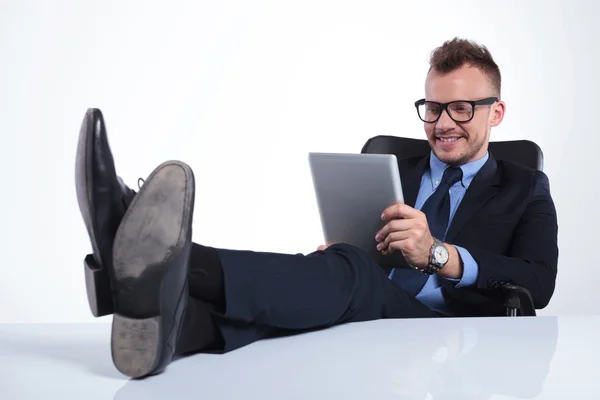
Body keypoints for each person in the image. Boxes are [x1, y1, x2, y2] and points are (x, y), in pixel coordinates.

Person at [75, 37, 558, 379]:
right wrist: (344, 255)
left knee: (352, 275)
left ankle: (163, 255)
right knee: (336, 274)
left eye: (461, 108)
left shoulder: (526, 186)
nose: (442, 123)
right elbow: (356, 257)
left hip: (446, 333)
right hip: (363, 298)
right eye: (432, 108)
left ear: (496, 112)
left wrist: (438, 254)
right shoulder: (393, 166)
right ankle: (173, 333)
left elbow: (538, 282)